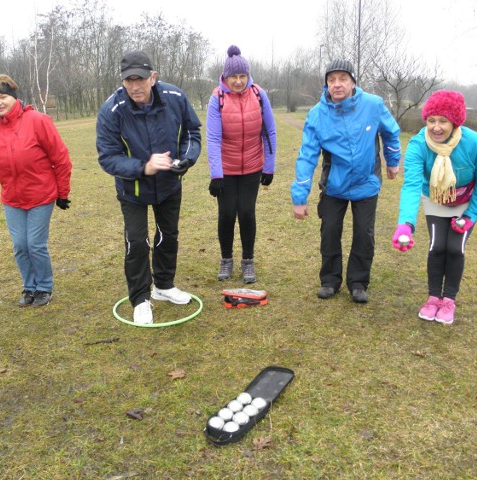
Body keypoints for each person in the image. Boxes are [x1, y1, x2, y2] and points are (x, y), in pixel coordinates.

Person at [96, 50, 202, 325]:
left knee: (168, 235)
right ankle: (141, 299)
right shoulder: (111, 110)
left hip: (169, 185)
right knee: (137, 242)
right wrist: (143, 167)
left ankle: (164, 286)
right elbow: (107, 157)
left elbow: (192, 133)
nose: (134, 86)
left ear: (153, 77)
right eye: (128, 81)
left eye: (139, 79)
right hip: (132, 191)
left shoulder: (175, 98)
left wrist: (186, 159)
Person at [0, 74, 72, 307]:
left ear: (15, 98)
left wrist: (63, 193)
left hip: (41, 194)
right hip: (12, 197)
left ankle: (44, 287)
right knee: (20, 245)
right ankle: (29, 287)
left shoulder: (38, 121)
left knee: (35, 244)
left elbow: (61, 159)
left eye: (4, 97)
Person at [291, 59, 401, 303]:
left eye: (342, 79)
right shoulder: (317, 115)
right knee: (329, 232)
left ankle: (359, 282)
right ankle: (330, 280)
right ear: (326, 84)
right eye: (331, 80)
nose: (337, 84)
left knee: (364, 234)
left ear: (353, 81)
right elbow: (307, 156)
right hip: (334, 186)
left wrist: (392, 161)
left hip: (366, 183)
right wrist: (299, 197)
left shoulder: (373, 105)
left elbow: (391, 131)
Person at [392, 90, 477, 325]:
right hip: (436, 200)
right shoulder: (419, 144)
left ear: (455, 122)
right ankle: (432, 298)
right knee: (437, 246)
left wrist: (471, 215)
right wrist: (405, 224)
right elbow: (411, 185)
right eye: (431, 120)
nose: (436, 127)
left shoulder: (475, 143)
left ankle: (448, 300)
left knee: (455, 248)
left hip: (466, 202)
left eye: (443, 121)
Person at [206, 45, 277, 283]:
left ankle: (248, 261)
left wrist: (269, 165)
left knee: (246, 213)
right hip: (226, 168)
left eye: (242, 76)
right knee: (226, 214)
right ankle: (226, 259)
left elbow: (270, 131)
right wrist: (216, 175)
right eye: (233, 76)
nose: (238, 81)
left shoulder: (258, 94)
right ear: (225, 77)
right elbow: (213, 138)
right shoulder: (217, 98)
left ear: (248, 75)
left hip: (252, 166)